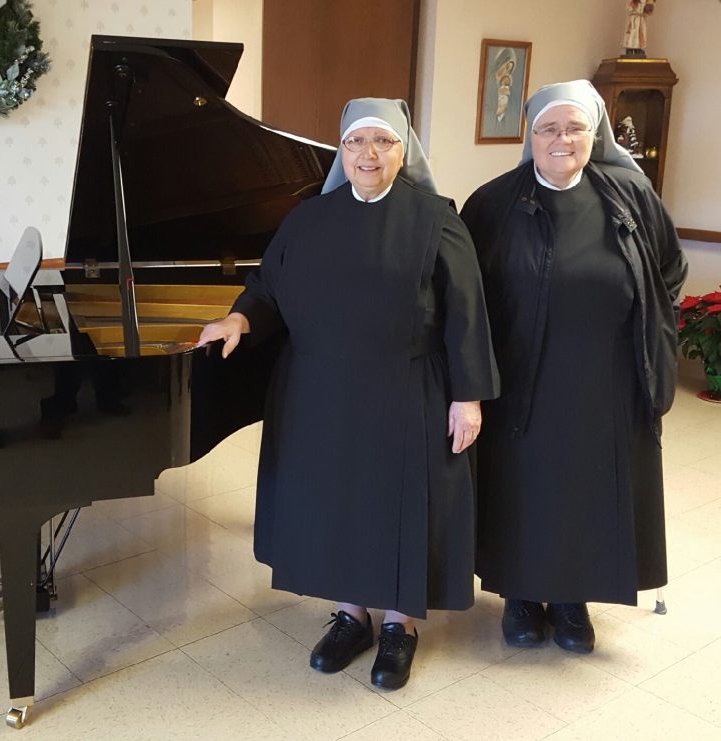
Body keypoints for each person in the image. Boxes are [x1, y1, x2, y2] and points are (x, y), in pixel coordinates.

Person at [197, 98, 499, 689]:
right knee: (338, 501)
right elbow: (268, 286)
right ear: (342, 149)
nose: (369, 154)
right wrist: (239, 319)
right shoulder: (310, 218)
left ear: (402, 151)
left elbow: (468, 311)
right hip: (322, 393)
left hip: (407, 389)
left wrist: (468, 396)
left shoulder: (436, 218)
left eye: (383, 143)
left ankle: (399, 626)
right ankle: (350, 616)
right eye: (357, 142)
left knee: (398, 502)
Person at [460, 80, 687, 654]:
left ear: (596, 133)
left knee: (586, 487)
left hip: (605, 376)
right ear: (529, 136)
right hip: (518, 375)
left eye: (575, 128)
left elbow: (669, 271)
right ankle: (519, 594)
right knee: (523, 486)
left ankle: (571, 600)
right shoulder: (492, 203)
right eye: (549, 129)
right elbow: (464, 293)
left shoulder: (630, 194)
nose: (563, 140)